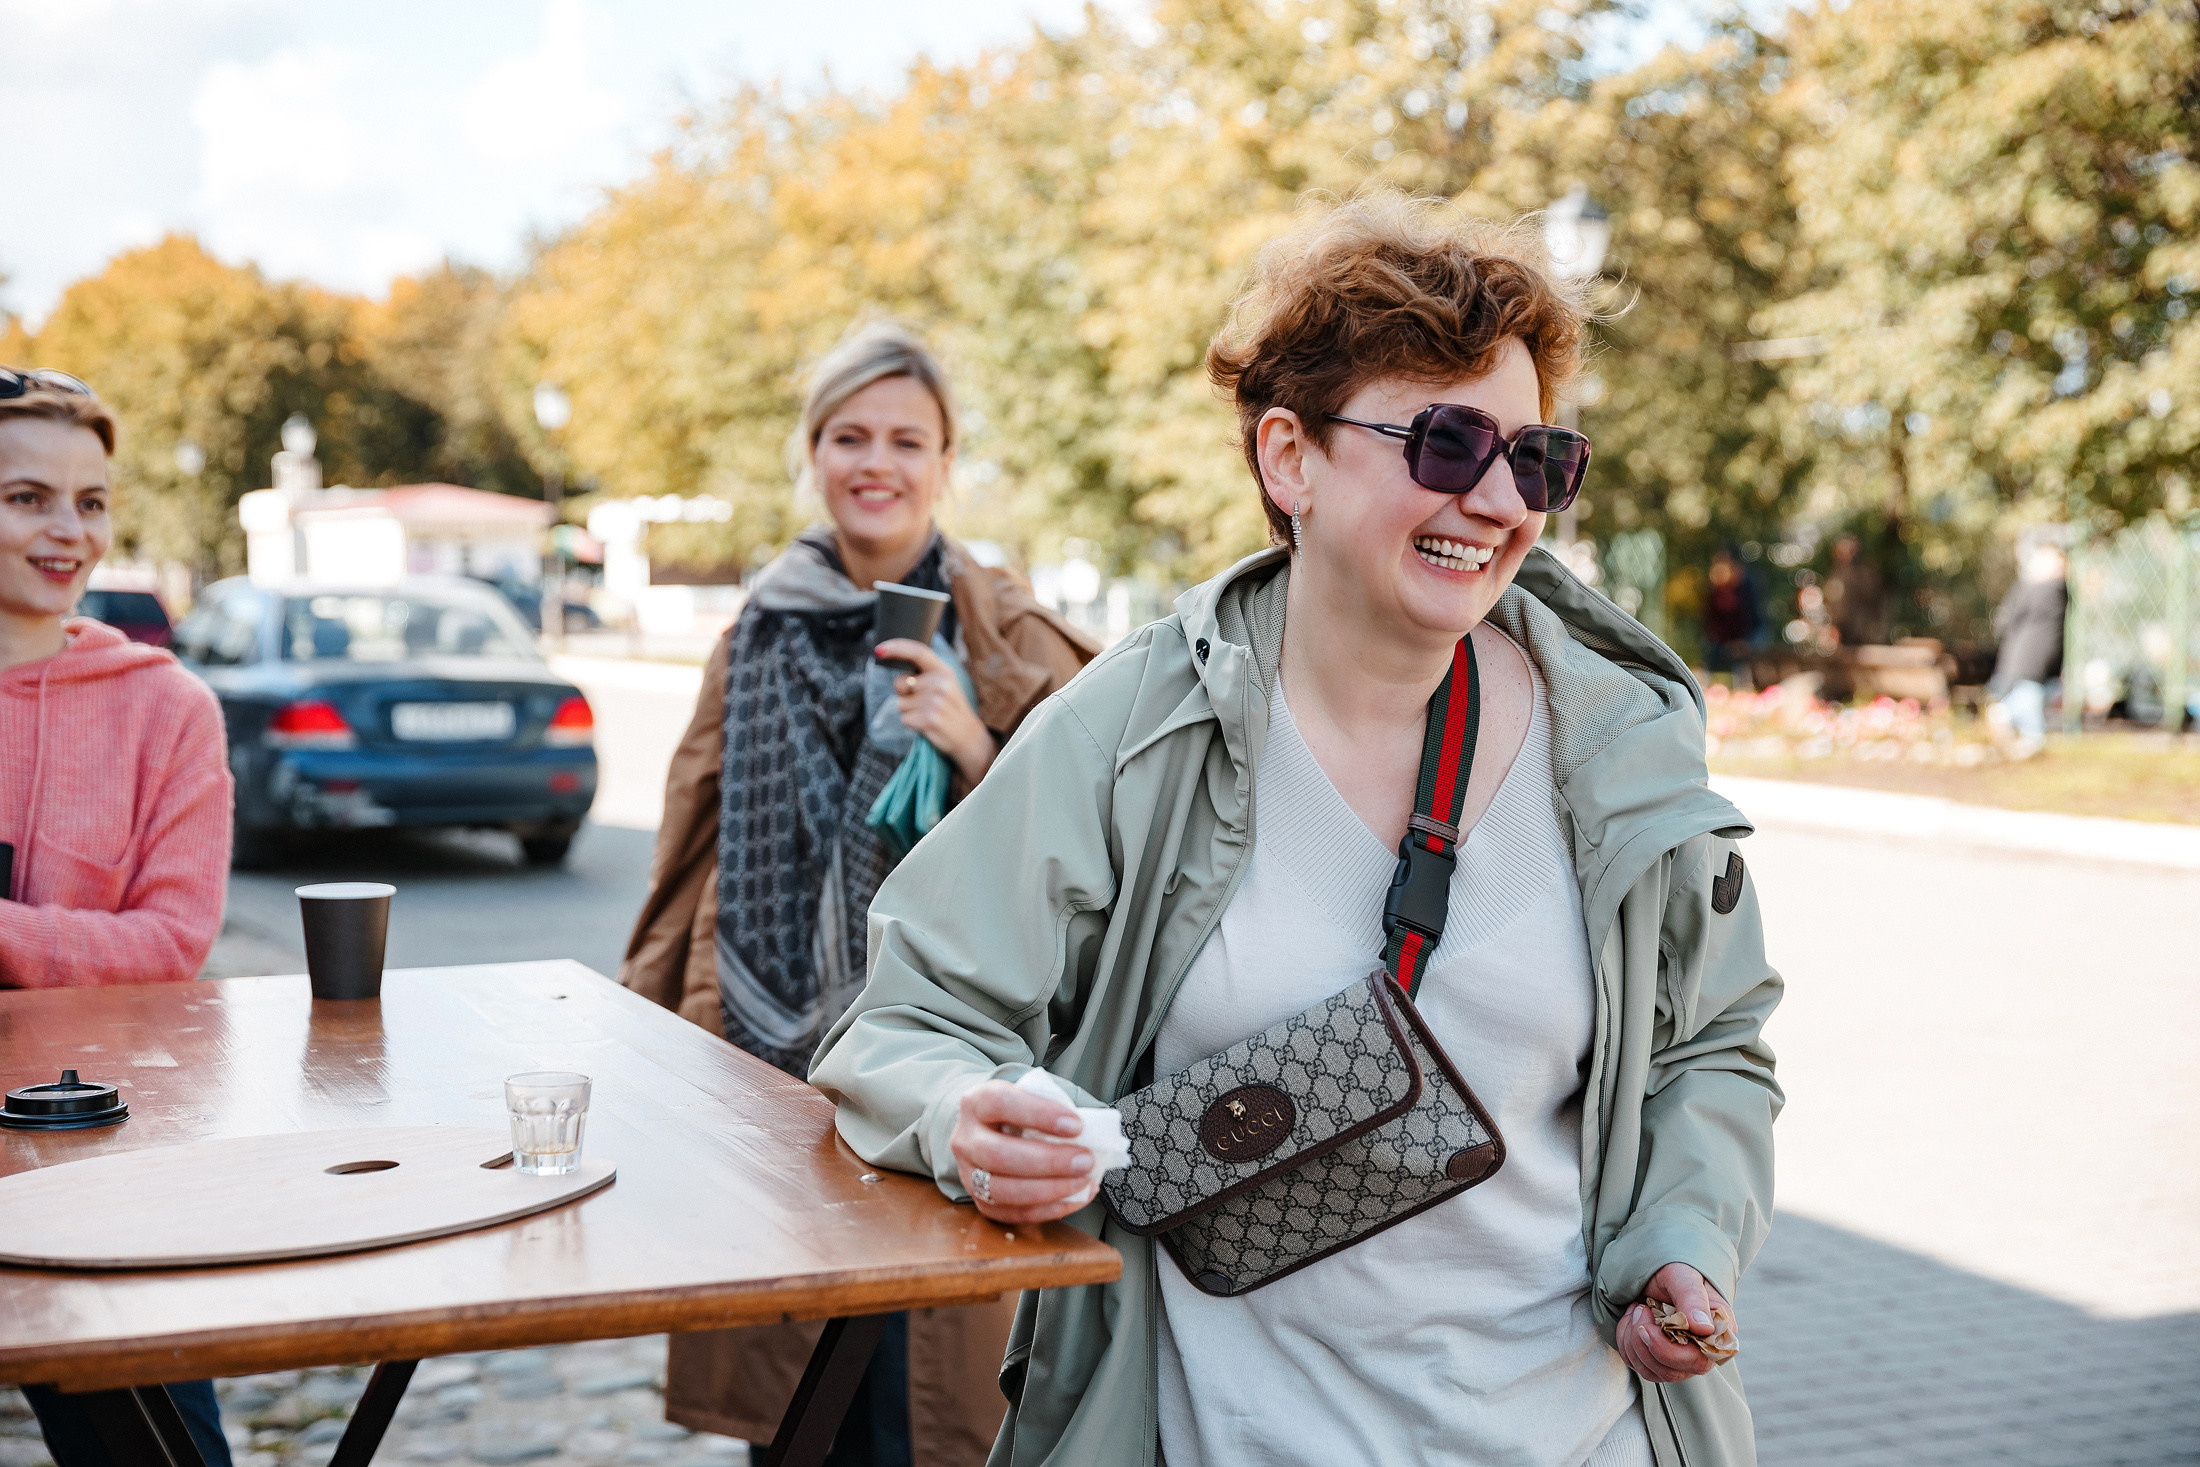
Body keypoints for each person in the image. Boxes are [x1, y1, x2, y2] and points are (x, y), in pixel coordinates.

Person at [810, 196, 1783, 1467]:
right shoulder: (1129, 727)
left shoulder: (1620, 745)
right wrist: (965, 1114)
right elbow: (911, 1019)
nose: (1496, 499)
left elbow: (1711, 1048)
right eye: (1443, 443)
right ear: (1289, 458)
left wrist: (1681, 1244)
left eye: (1536, 458)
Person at [619, 321, 1099, 1467]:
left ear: (945, 463)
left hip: (953, 1052)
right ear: (814, 454)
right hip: (766, 1056)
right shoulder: (756, 635)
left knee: (919, 1404)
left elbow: (1107, 854)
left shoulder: (1012, 633)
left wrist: (979, 752)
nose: (875, 462)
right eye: (848, 437)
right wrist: (637, 1045)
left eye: (905, 439)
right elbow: (686, 855)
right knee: (795, 1417)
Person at [0, 368, 235, 1467]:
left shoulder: (168, 708)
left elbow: (169, 946)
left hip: (102, 1155)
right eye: (28, 498)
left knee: (159, 1453)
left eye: (90, 502)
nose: (69, 532)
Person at [1987, 539, 2068, 755]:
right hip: (2039, 661)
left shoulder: (2035, 590)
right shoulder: (2061, 592)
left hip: (2026, 660)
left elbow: (2003, 621)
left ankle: (2030, 738)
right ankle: (2024, 736)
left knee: (2019, 699)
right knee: (2027, 695)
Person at [1701, 544, 1763, 680]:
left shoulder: (1747, 586)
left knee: (1744, 665)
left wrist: (1744, 642)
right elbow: (1710, 622)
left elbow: (1755, 619)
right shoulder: (1714, 590)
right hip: (1722, 641)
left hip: (1749, 637)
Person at [1822, 532, 1888, 648]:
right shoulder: (1836, 573)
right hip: (1840, 631)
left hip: (1861, 630)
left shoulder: (1866, 572)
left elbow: (1874, 599)